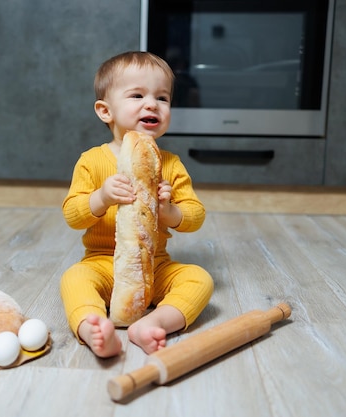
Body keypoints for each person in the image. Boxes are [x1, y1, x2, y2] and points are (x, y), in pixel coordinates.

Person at [60, 51, 214, 358]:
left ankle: (153, 324)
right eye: (137, 95)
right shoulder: (92, 162)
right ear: (106, 111)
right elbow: (72, 215)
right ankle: (92, 328)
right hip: (102, 262)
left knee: (200, 279)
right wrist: (101, 197)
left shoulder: (170, 164)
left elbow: (196, 216)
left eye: (163, 98)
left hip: (155, 264)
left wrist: (169, 211)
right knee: (74, 278)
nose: (152, 104)